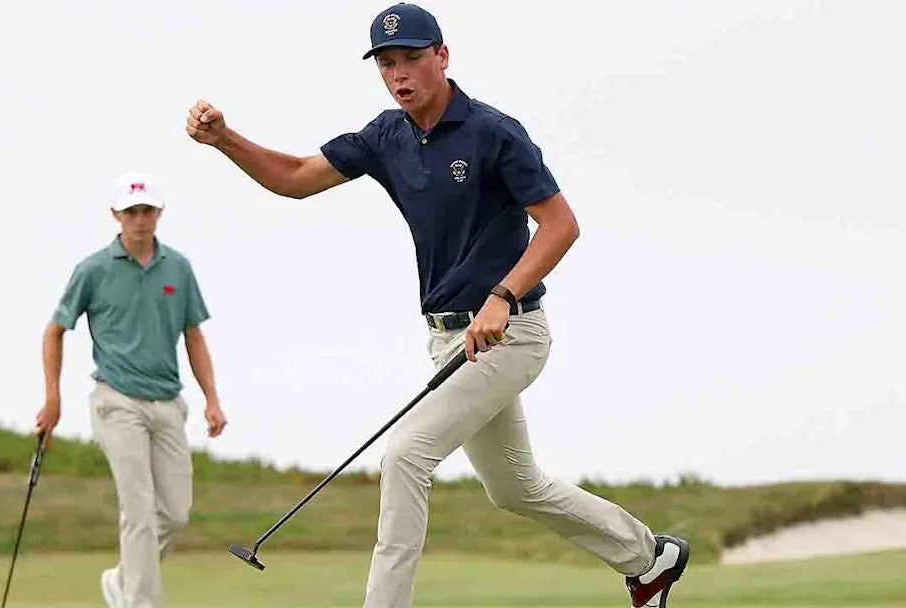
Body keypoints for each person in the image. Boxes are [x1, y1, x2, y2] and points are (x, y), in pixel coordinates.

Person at [185, 3, 688, 607]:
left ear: (442, 57)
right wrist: (225, 141)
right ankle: (647, 557)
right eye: (387, 63)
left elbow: (560, 225)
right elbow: (294, 175)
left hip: (512, 334)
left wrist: (504, 295)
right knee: (514, 486)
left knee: (406, 454)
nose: (400, 74)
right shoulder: (385, 136)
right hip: (450, 339)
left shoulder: (493, 132)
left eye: (412, 59)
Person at [35, 172, 228, 608]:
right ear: (116, 215)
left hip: (168, 403)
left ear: (159, 213)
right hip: (116, 401)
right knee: (138, 512)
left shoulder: (177, 267)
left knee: (174, 514)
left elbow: (194, 335)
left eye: (146, 210)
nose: (139, 219)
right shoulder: (93, 269)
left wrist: (211, 399)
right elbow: (54, 331)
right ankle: (141, 602)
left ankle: (123, 579)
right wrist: (53, 398)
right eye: (131, 211)